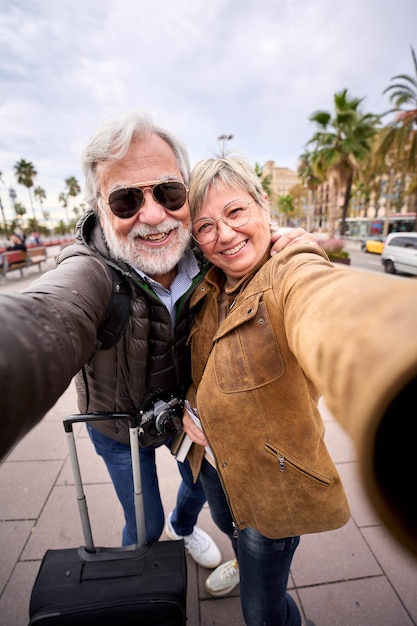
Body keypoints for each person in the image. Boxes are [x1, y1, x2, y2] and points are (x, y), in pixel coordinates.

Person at [0, 111, 311, 580]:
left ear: (186, 194)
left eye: (168, 192)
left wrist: (279, 245)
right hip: (117, 427)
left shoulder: (205, 252)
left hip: (186, 415)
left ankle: (184, 529)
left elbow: (252, 251)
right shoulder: (90, 268)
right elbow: (50, 314)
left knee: (201, 485)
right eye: (125, 201)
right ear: (101, 210)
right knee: (142, 528)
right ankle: (144, 566)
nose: (153, 215)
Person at [181, 151, 417, 625]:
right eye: (205, 226)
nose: (224, 234)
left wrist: (393, 359)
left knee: (262, 614)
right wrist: (186, 407)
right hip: (213, 465)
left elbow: (332, 310)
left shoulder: (292, 270)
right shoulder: (205, 286)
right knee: (230, 528)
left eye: (235, 212)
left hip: (272, 485)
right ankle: (242, 561)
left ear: (263, 205)